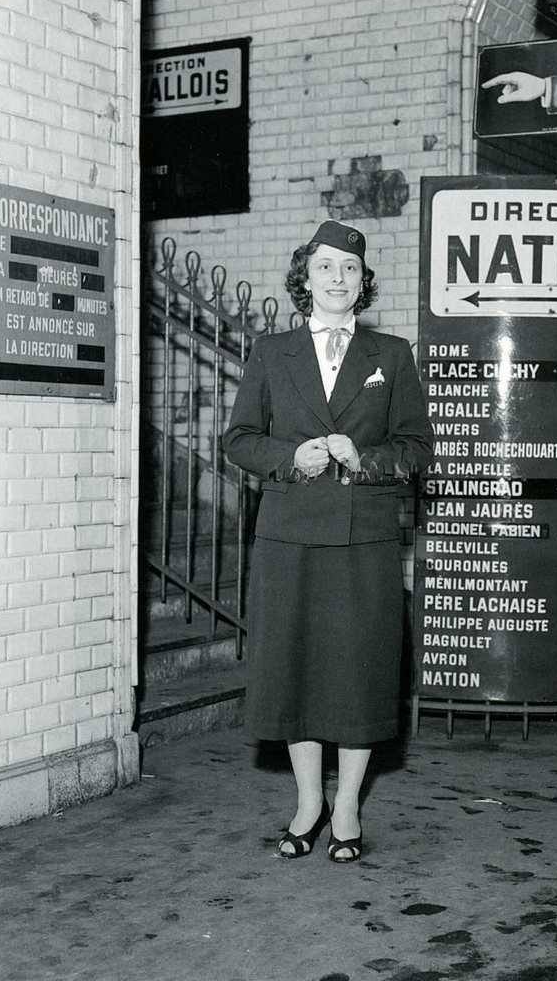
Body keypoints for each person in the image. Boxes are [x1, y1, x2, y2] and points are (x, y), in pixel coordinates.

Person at [223, 220, 434, 863]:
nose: (337, 278)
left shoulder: (391, 354)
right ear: (305, 278)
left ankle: (347, 809)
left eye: (349, 268)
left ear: (363, 281)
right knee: (296, 670)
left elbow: (418, 448)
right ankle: (308, 803)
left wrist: (364, 459)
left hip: (363, 539)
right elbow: (239, 439)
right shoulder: (271, 352)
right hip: (288, 537)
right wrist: (290, 458)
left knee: (358, 671)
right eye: (325, 267)